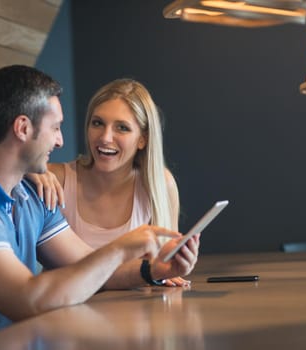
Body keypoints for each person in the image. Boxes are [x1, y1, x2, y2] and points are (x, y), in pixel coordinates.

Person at [0, 65, 199, 349]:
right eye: (55, 127)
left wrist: (154, 270)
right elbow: (27, 300)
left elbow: (91, 270)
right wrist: (119, 249)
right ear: (23, 128)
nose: (61, 141)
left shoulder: (31, 194)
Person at [28, 79, 196, 286]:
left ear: (143, 139)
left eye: (122, 128)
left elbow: (164, 266)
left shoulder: (160, 184)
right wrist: (27, 170)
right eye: (97, 123)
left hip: (135, 312)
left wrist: (169, 268)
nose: (105, 137)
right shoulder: (53, 179)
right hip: (64, 310)